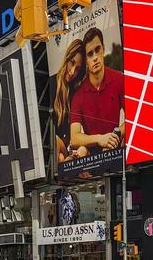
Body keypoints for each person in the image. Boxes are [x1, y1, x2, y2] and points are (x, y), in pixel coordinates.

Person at [69, 27, 125, 156]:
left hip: (118, 149)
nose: (95, 57)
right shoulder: (79, 95)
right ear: (86, 61)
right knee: (81, 151)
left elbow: (134, 117)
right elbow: (74, 137)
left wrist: (115, 136)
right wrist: (100, 139)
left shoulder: (119, 79)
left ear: (103, 49)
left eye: (97, 50)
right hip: (92, 158)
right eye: (90, 54)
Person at [53, 41, 89, 165]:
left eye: (78, 69)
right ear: (67, 58)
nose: (72, 71)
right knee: (59, 154)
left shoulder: (76, 93)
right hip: (54, 147)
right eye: (72, 63)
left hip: (68, 147)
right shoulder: (52, 83)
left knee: (65, 156)